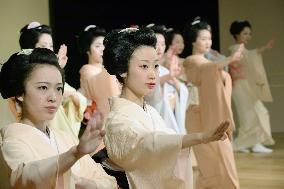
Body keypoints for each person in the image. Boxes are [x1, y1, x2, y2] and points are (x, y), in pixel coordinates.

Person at [103, 27, 231, 189]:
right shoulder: (118, 120)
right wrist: (199, 137)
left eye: (155, 66)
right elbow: (149, 144)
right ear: (122, 70)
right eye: (144, 66)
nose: (152, 74)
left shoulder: (151, 112)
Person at [0, 48, 117, 188]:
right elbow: (24, 178)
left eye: (58, 88)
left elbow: (107, 180)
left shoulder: (65, 138)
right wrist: (75, 154)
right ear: (20, 93)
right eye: (43, 88)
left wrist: (85, 183)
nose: (54, 97)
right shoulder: (11, 142)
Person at [0, 21, 87, 141]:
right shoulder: (21, 79)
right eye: (44, 46)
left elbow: (79, 99)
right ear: (30, 49)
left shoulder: (52, 73)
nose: (50, 50)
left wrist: (60, 75)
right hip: (35, 135)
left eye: (51, 46)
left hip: (58, 136)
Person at [183, 20, 243, 189]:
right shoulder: (191, 61)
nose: (208, 42)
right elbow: (206, 69)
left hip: (211, 115)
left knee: (223, 158)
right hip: (197, 115)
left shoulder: (207, 62)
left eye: (209, 38)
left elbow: (211, 68)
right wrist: (229, 59)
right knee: (209, 164)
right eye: (203, 38)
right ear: (193, 41)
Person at [229, 20, 275, 153]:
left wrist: (262, 50)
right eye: (245, 33)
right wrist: (262, 49)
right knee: (247, 115)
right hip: (240, 86)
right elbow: (249, 57)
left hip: (247, 86)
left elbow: (250, 56)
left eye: (249, 34)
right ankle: (241, 144)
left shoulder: (244, 50)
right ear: (237, 35)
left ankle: (256, 142)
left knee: (260, 111)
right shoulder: (234, 49)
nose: (248, 36)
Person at [145, 23, 188, 134]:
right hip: (153, 122)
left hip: (169, 118)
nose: (160, 48)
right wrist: (167, 78)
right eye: (156, 44)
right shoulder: (142, 68)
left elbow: (182, 91)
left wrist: (177, 85)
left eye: (163, 44)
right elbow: (150, 94)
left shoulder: (164, 70)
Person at [78, 25, 121, 120]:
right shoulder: (87, 70)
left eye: (104, 45)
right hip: (103, 118)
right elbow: (98, 88)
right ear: (87, 50)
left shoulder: (107, 69)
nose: (103, 49)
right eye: (97, 46)